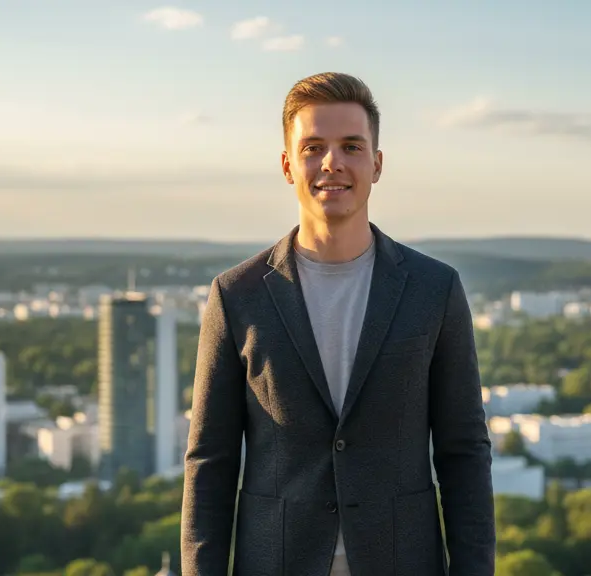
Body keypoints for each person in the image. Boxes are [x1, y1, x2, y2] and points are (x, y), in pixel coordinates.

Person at [180, 72, 495, 576]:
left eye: (351, 146)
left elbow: (464, 452)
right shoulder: (237, 295)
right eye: (313, 147)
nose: (333, 163)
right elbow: (210, 463)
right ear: (287, 165)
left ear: (377, 164)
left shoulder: (435, 290)